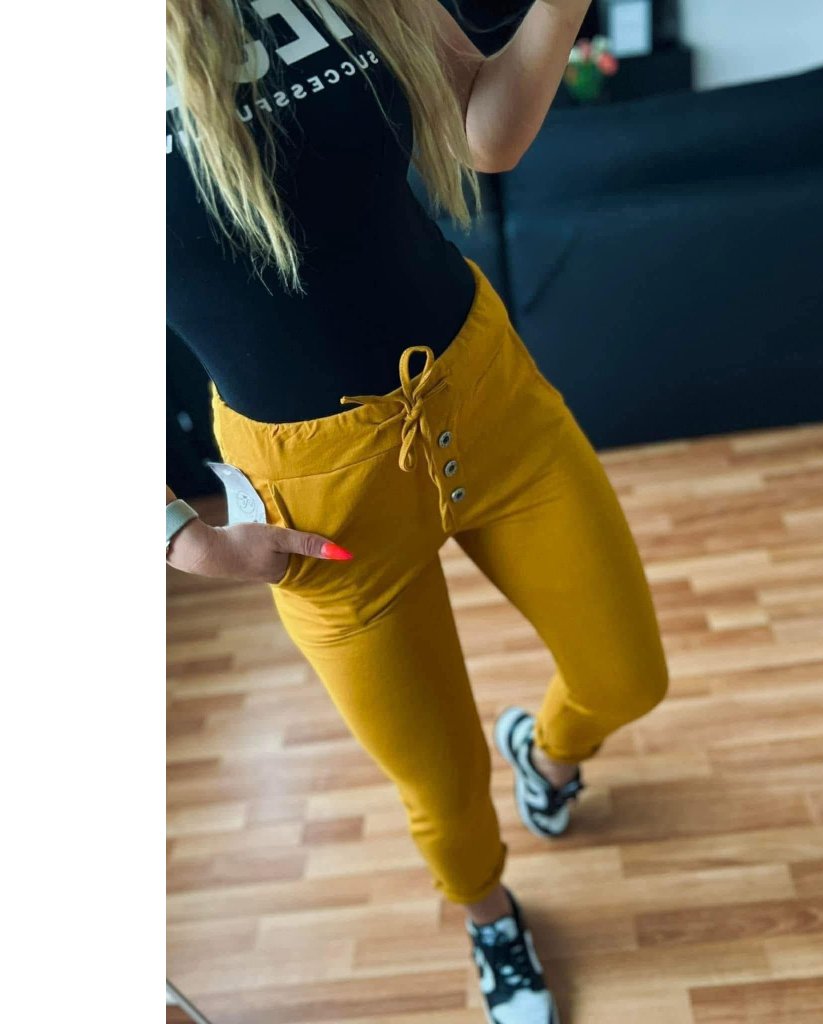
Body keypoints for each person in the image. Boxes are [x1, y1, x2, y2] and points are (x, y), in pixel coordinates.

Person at [165, 2, 669, 1020]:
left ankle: (547, 753)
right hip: (318, 497)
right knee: (440, 788)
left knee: (627, 676)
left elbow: (485, 128)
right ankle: (490, 917)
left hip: (485, 397)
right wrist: (176, 537)